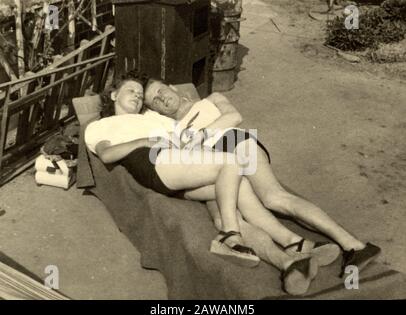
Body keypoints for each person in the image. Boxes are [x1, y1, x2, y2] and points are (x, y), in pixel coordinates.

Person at [84, 71, 320, 296]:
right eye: (131, 90)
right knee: (229, 164)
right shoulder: (101, 125)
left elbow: (185, 132)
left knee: (237, 193)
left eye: (139, 93)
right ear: (114, 95)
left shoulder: (152, 117)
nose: (137, 95)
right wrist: (145, 140)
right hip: (155, 162)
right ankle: (230, 236)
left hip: (182, 164)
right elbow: (107, 154)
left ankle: (288, 256)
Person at [143, 78, 381, 277]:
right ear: (155, 109)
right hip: (216, 166)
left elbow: (234, 116)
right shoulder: (173, 129)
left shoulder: (210, 100)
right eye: (155, 100)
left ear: (173, 87)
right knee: (231, 216)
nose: (162, 98)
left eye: (161, 90)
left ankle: (355, 246)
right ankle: (295, 250)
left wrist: (201, 134)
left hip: (232, 142)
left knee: (274, 197)